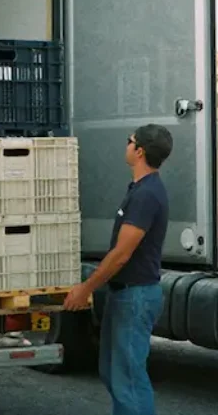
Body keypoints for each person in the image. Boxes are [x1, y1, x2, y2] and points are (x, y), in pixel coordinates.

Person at [63, 123, 173, 415]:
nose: (126, 145)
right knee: (113, 372)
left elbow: (122, 254)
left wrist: (85, 289)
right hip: (124, 295)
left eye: (129, 141)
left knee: (128, 379)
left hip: (134, 297)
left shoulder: (146, 194)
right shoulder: (140, 189)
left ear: (139, 151)